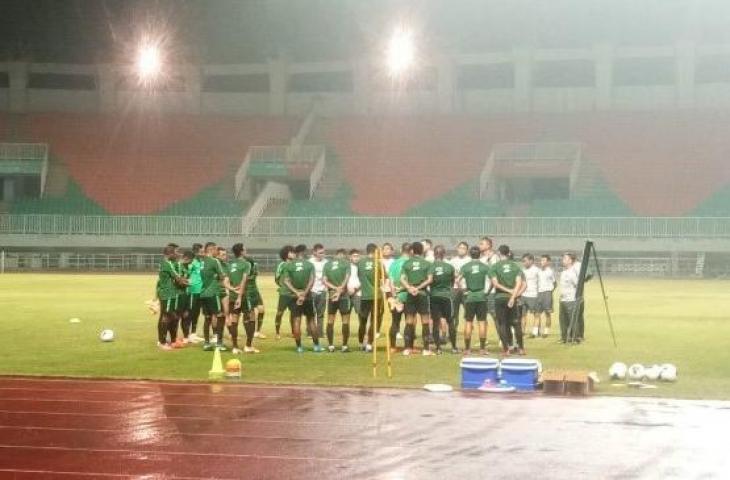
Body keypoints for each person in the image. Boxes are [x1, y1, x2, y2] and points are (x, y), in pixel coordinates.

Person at [490, 245, 526, 356]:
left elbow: (495, 284)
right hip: (513, 299)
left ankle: (506, 350)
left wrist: (509, 292)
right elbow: (522, 284)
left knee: (502, 324)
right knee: (516, 323)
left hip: (500, 298)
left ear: (499, 253)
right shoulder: (516, 267)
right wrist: (513, 296)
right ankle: (521, 348)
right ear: (508, 253)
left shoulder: (494, 267)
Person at [281, 249, 320, 353]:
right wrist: (305, 293)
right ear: (304, 254)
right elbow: (312, 280)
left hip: (294, 297)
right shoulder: (309, 265)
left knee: (296, 321)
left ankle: (299, 347)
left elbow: (286, 281)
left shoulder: (289, 265)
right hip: (307, 297)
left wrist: (297, 293)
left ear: (295, 254)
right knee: (311, 321)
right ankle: (316, 346)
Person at [400, 241, 434, 356]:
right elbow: (429, 280)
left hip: (410, 295)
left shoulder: (407, 263)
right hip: (422, 294)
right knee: (425, 321)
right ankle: (425, 349)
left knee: (409, 320)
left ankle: (407, 348)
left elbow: (402, 279)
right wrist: (418, 288)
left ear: (412, 251)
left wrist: (410, 288)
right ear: (422, 251)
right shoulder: (427, 263)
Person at [458, 245, 490, 355]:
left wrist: (463, 290)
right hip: (481, 296)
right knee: (482, 322)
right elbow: (493, 281)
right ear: (480, 254)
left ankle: (467, 349)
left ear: (470, 254)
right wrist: (488, 291)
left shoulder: (466, 266)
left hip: (470, 297)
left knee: (468, 322)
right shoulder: (484, 267)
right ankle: (482, 349)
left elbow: (457, 280)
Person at [156, 245, 187, 350]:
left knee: (170, 316)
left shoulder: (166, 263)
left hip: (169, 293)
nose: (178, 254)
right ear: (171, 254)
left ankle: (169, 340)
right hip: (168, 293)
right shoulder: (168, 264)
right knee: (167, 317)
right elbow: (177, 278)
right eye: (176, 252)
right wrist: (187, 282)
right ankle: (162, 342)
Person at [199, 242, 228, 351]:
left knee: (207, 318)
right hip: (213, 293)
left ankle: (206, 343)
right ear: (211, 250)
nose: (217, 252)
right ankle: (219, 343)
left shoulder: (202, 262)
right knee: (220, 316)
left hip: (202, 293)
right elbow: (222, 276)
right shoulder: (215, 261)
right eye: (216, 249)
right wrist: (218, 277)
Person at [429, 245, 457, 354]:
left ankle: (438, 348)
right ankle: (454, 348)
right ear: (444, 254)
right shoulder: (449, 267)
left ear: (434, 254)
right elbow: (452, 281)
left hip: (434, 296)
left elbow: (430, 280)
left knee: (436, 322)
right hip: (447, 296)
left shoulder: (431, 267)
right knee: (450, 321)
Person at [357, 244, 385, 352]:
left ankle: (361, 343)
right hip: (376, 296)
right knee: (374, 320)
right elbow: (384, 278)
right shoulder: (378, 263)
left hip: (365, 296)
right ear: (375, 251)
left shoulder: (360, 263)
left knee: (363, 321)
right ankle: (369, 343)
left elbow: (360, 277)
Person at [322, 248, 352, 352]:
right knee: (345, 320)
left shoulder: (327, 265)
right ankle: (344, 345)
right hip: (343, 296)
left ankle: (330, 345)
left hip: (331, 295)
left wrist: (335, 289)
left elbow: (324, 281)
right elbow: (347, 277)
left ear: (336, 254)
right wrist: (340, 289)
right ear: (343, 254)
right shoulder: (346, 263)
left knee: (330, 320)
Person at [227, 243, 253, 354]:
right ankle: (248, 346)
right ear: (241, 252)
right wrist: (239, 296)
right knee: (250, 318)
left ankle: (235, 347)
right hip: (243, 296)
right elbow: (244, 280)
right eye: (245, 249)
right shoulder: (246, 264)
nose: (246, 251)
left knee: (234, 320)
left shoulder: (230, 265)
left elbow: (225, 282)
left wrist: (233, 290)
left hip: (232, 296)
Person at [387, 242, 410, 351]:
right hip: (408, 295)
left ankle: (392, 347)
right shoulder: (410, 263)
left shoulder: (394, 263)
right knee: (409, 321)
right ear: (411, 251)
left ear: (401, 250)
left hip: (396, 295)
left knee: (395, 321)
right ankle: (407, 347)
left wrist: (394, 294)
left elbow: (390, 280)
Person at [479, 236, 499, 344]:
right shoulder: (481, 259)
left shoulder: (494, 257)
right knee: (482, 317)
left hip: (491, 293)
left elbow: (495, 275)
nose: (480, 246)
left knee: (496, 316)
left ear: (488, 245)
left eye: (482, 244)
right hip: (482, 292)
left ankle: (502, 339)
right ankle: (484, 340)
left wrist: (490, 290)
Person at [448, 241, 470, 336]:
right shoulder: (452, 261)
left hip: (466, 288)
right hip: (455, 289)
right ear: (457, 249)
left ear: (467, 250)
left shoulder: (470, 260)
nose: (461, 250)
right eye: (460, 248)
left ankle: (468, 330)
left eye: (463, 248)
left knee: (468, 312)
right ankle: (453, 332)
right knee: (453, 312)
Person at [273, 245, 295, 340]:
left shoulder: (295, 264)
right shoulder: (282, 265)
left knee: (294, 313)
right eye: (291, 252)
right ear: (286, 254)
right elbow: (277, 278)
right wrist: (282, 286)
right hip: (284, 293)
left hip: (294, 293)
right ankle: (277, 332)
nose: (294, 254)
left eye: (294, 252)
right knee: (280, 313)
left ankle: (294, 332)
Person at [559, 252, 581, 344]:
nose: (563, 260)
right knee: (563, 320)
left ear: (570, 261)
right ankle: (564, 338)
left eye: (565, 259)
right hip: (563, 300)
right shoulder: (563, 272)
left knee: (571, 320)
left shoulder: (572, 273)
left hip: (570, 300)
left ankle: (574, 338)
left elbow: (577, 285)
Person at [244, 252, 266, 339]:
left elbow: (254, 275)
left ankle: (257, 331)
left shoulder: (254, 267)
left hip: (255, 291)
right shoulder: (244, 270)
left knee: (261, 310)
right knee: (249, 313)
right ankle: (250, 332)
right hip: (247, 292)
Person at [185, 243, 204, 343]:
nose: (203, 253)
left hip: (200, 291)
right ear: (196, 252)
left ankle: (193, 334)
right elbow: (185, 274)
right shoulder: (191, 262)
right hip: (192, 291)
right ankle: (187, 335)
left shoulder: (201, 261)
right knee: (190, 313)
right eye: (201, 251)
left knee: (196, 313)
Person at [309, 244, 328, 339]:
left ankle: (320, 333)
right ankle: (310, 332)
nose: (322, 254)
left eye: (323, 252)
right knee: (311, 313)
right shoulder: (309, 263)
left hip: (322, 291)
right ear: (314, 252)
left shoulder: (327, 263)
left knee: (321, 314)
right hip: (311, 291)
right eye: (320, 253)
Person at [520, 254, 540, 337]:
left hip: (533, 295)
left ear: (531, 261)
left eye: (525, 261)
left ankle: (535, 332)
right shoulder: (522, 270)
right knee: (522, 314)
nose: (523, 263)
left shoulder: (537, 270)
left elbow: (541, 283)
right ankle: (522, 332)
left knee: (536, 314)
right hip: (523, 295)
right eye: (523, 261)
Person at [536, 254, 556, 338]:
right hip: (539, 293)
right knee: (537, 313)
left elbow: (555, 283)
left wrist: (550, 291)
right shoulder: (538, 271)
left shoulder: (550, 271)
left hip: (547, 293)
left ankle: (546, 332)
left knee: (547, 313)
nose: (542, 262)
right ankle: (537, 331)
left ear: (548, 262)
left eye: (544, 260)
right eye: (541, 260)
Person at [348, 249, 362, 318]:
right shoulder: (347, 267)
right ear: (350, 257)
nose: (356, 258)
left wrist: (355, 289)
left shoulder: (361, 267)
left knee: (361, 316)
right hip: (347, 294)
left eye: (357, 256)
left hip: (358, 294)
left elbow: (363, 280)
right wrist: (348, 290)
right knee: (346, 316)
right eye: (354, 256)